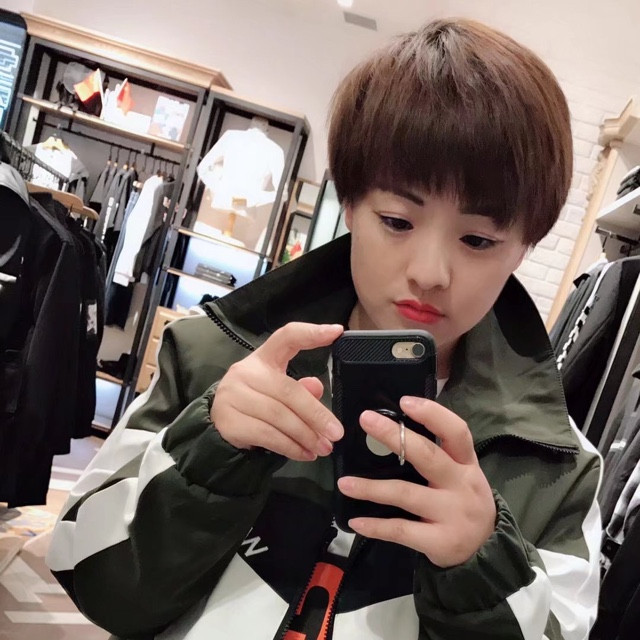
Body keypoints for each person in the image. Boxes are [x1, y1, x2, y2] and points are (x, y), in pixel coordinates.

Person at [47, 18, 602, 640]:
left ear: (525, 246)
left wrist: (482, 568)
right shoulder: (214, 356)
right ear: (350, 205)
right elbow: (88, 573)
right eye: (397, 221)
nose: (430, 273)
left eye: (477, 240)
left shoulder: (557, 466)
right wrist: (209, 457)